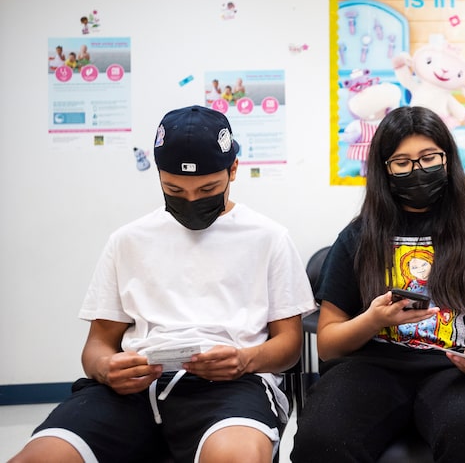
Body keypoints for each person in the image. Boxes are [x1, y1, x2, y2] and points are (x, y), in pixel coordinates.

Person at [10, 105, 316, 463]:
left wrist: (245, 360)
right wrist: (107, 369)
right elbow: (97, 347)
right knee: (41, 457)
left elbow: (290, 346)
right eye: (174, 189)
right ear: (158, 176)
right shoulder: (128, 240)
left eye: (207, 189)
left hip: (231, 386)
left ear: (233, 169)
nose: (191, 201)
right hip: (133, 391)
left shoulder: (269, 238)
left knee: (237, 457)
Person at [291, 105, 465, 462]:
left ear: (448, 159)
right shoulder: (357, 238)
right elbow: (328, 344)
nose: (418, 170)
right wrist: (373, 320)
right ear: (384, 170)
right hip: (370, 370)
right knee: (321, 440)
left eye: (429, 158)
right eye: (402, 163)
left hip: (455, 369)